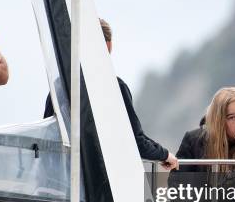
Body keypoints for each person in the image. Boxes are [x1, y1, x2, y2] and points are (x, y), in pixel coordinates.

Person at [44, 18, 178, 170]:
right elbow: (136, 140)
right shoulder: (115, 88)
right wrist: (165, 155)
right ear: (108, 45)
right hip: (101, 183)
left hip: (63, 178)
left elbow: (48, 136)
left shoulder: (60, 85)